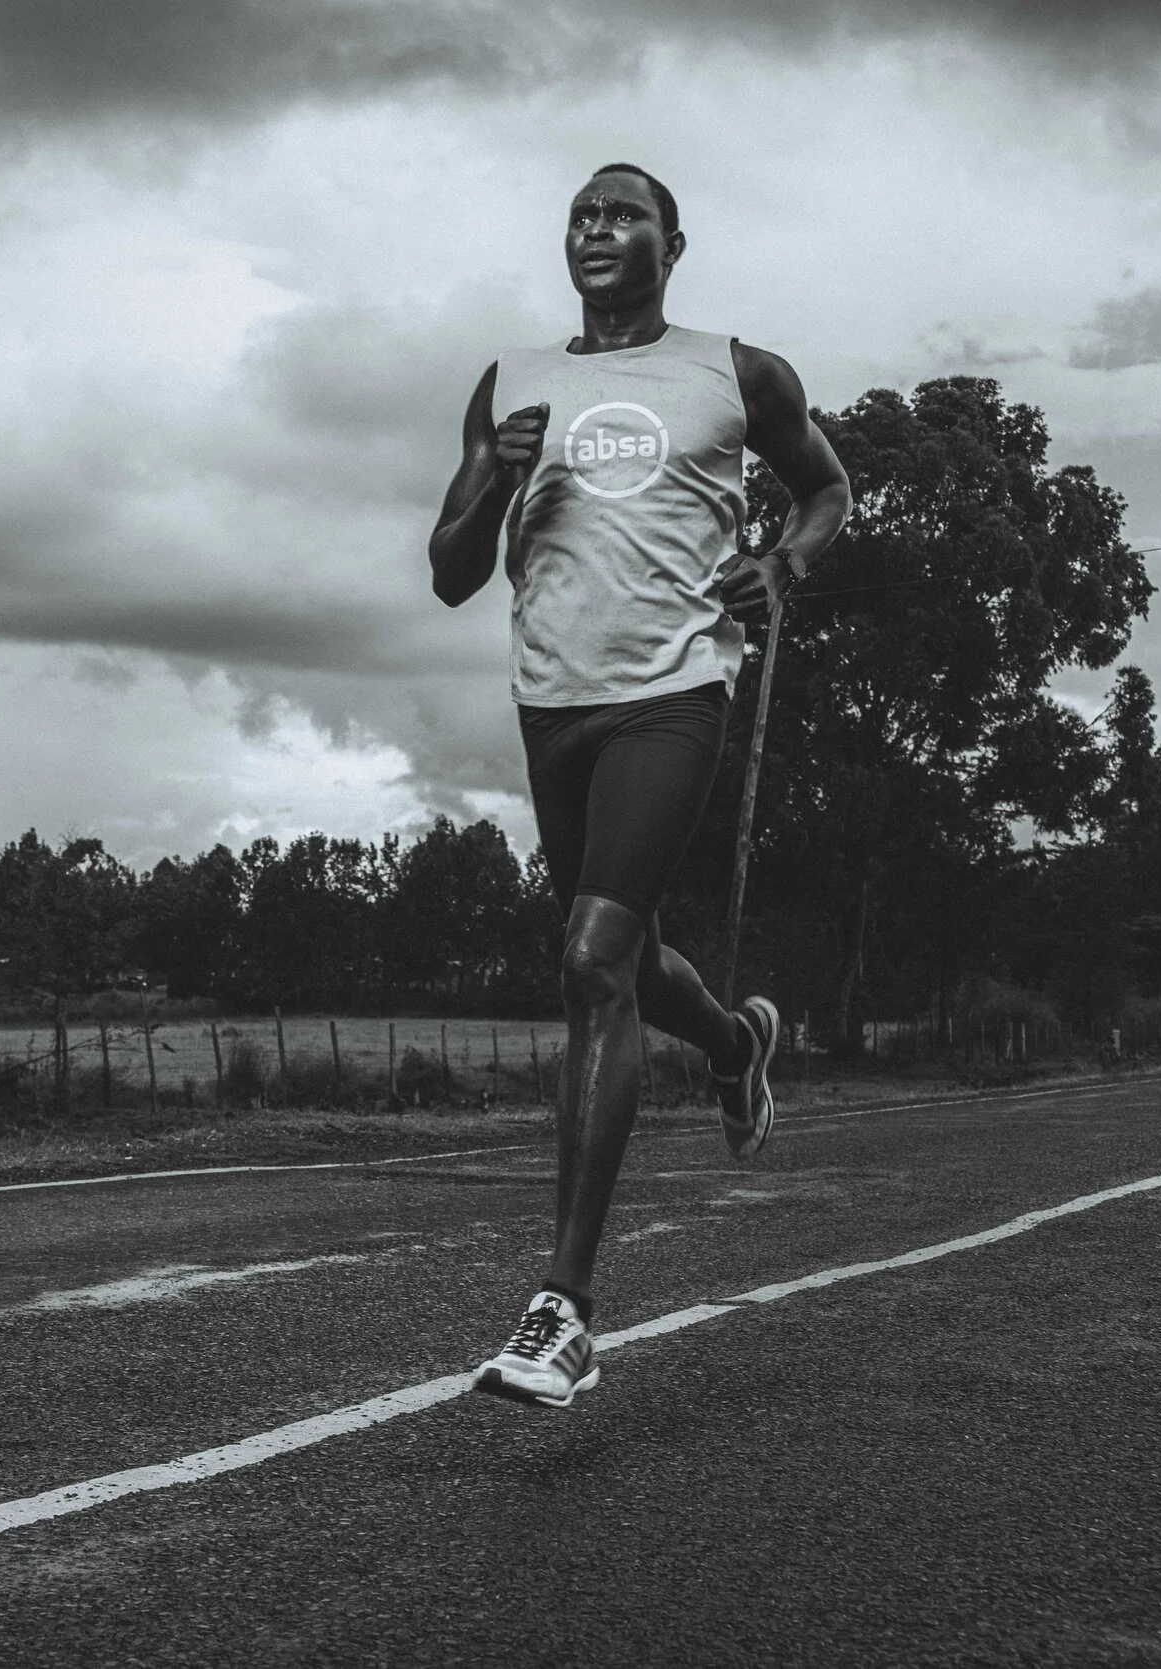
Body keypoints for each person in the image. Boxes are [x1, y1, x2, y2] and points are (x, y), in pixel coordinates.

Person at [429, 162, 850, 1409]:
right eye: (579, 214)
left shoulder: (738, 373)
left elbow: (826, 488)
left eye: (621, 214)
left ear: (674, 243)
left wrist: (786, 560)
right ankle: (735, 1040)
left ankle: (563, 1307)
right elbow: (452, 573)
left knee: (591, 961)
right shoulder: (510, 384)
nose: (595, 228)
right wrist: (494, 478)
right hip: (551, 705)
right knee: (621, 956)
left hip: (672, 695)